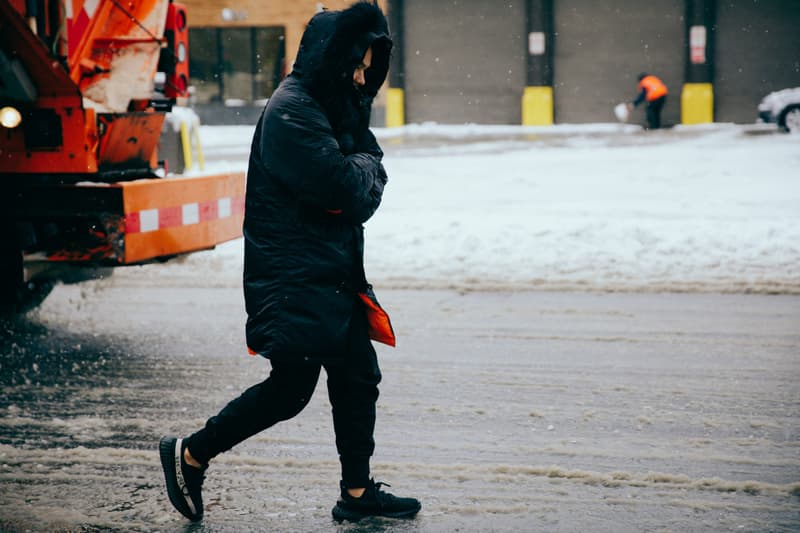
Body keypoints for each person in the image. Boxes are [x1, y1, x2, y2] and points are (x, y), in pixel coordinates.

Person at [158, 1, 421, 524]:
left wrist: (362, 168)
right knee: (289, 391)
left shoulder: (332, 107)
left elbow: (364, 173)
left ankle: (357, 492)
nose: (363, 76)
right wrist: (364, 167)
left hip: (331, 270)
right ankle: (190, 454)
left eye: (370, 66)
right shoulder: (293, 111)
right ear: (333, 56)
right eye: (357, 63)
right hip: (293, 276)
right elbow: (347, 189)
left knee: (357, 376)